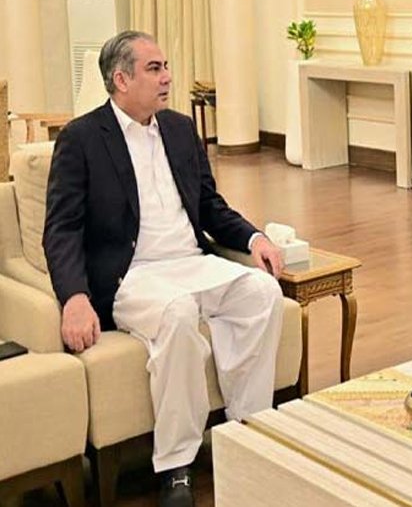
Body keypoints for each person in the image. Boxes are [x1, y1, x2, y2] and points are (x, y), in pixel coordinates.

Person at [43, 30, 285, 507]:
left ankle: (246, 433)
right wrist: (74, 297)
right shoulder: (82, 139)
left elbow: (210, 205)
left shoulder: (178, 128)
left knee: (262, 294)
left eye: (166, 66)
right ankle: (176, 466)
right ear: (121, 80)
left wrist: (254, 238)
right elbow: (62, 229)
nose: (167, 77)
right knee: (177, 313)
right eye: (154, 69)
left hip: (191, 263)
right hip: (131, 277)